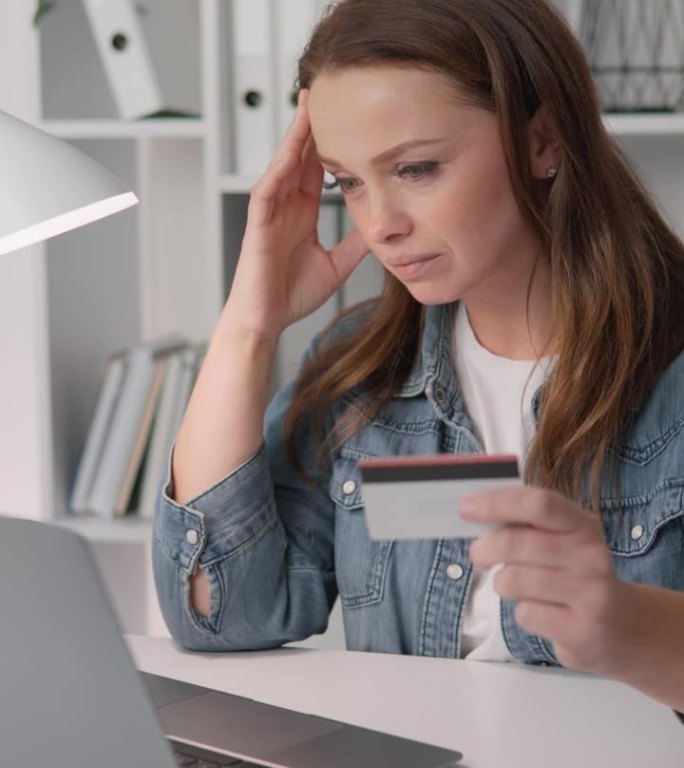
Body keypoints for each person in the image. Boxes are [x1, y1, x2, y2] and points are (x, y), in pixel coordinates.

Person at [152, 0, 684, 712]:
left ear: (543, 140)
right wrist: (251, 322)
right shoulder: (362, 373)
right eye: (348, 182)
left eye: (417, 168)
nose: (381, 226)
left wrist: (621, 624)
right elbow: (218, 612)